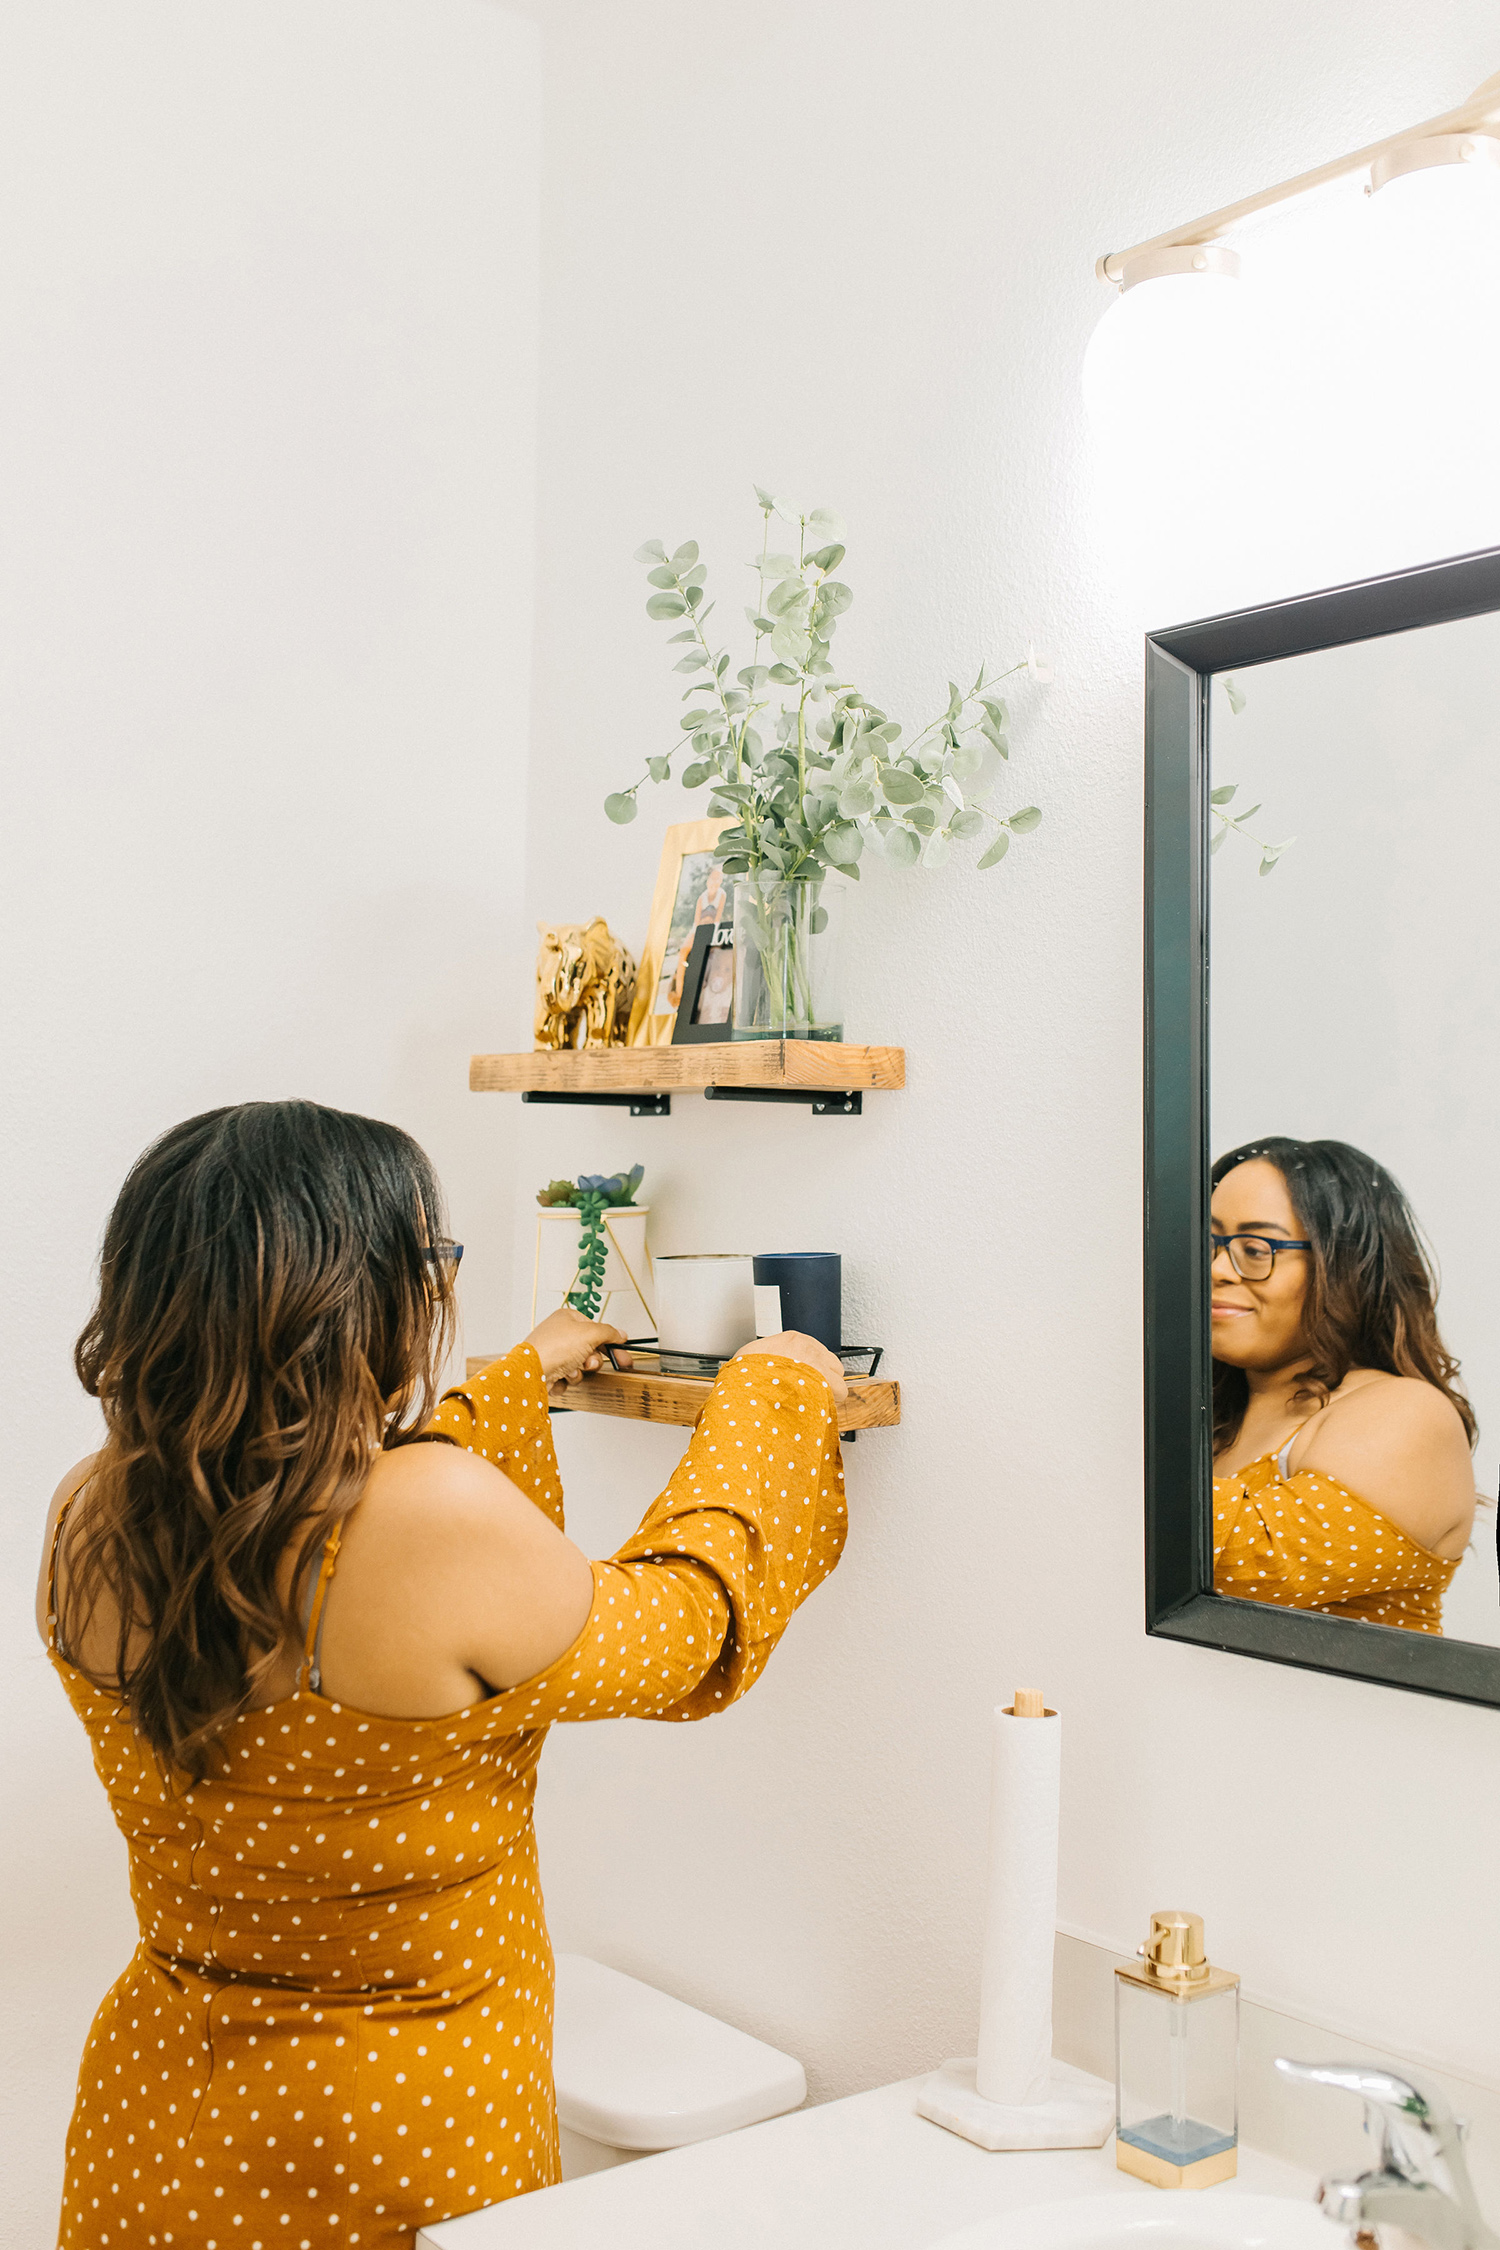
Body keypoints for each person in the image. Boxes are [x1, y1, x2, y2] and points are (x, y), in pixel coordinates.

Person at [37, 1101, 849, 2248]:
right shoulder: (431, 1525)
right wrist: (775, 1392)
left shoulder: (92, 1508)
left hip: (156, 2128)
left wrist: (521, 1373)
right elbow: (689, 1624)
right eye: (429, 1261)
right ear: (352, 1295)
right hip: (402, 2137)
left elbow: (322, 1503)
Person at [1210, 1135, 1476, 1634]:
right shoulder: (1211, 1412)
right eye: (1207, 1243)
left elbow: (1250, 1563)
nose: (1217, 1270)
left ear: (1346, 1267)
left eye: (1254, 1248)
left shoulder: (1406, 1411)